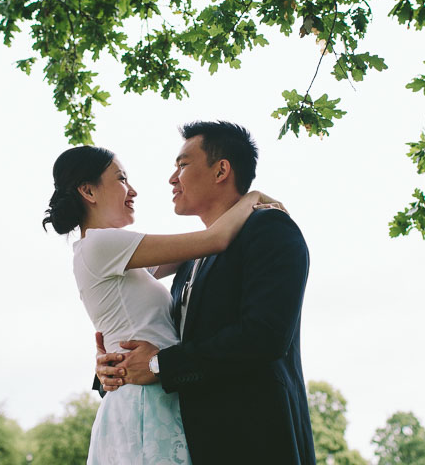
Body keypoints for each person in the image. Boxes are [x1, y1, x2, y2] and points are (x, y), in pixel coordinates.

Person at [43, 144, 281, 464]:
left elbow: (199, 250)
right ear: (89, 191)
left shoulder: (114, 255)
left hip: (151, 395)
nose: (133, 190)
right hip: (145, 403)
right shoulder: (102, 244)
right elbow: (213, 240)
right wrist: (252, 199)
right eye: (121, 179)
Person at [95, 121, 316, 464]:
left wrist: (158, 364)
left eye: (182, 165)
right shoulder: (189, 261)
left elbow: (265, 336)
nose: (172, 179)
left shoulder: (270, 229)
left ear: (221, 170)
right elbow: (163, 337)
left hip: (255, 442)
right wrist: (115, 367)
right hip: (195, 444)